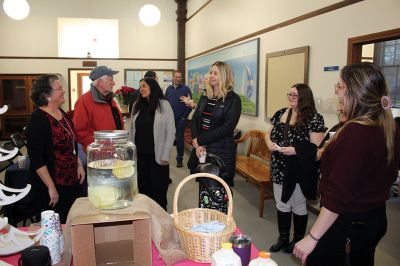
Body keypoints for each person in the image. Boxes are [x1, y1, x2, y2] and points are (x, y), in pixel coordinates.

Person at [293, 62, 400, 266]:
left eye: (340, 86)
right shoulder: (388, 126)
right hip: (374, 218)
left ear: (356, 92)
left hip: (347, 222)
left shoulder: (355, 132)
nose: (336, 91)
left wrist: (312, 238)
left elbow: (338, 196)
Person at [266, 83, 326, 253]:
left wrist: (295, 150)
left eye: (295, 95)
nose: (290, 97)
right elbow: (268, 133)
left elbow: (316, 150)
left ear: (304, 97)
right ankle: (283, 238)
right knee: (282, 204)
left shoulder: (315, 118)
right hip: (279, 167)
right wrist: (269, 143)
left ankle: (298, 239)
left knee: (298, 205)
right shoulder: (281, 113)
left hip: (300, 169)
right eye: (289, 94)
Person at [26, 74, 85, 223]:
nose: (63, 91)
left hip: (71, 180)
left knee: (71, 221)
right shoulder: (38, 120)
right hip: (53, 184)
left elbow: (70, 143)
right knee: (56, 227)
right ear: (47, 95)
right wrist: (51, 187)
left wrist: (78, 164)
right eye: (59, 88)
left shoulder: (61, 112)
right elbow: (36, 159)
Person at [189, 61, 241, 187]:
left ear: (224, 76)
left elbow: (227, 128)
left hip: (221, 152)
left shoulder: (233, 99)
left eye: (216, 73)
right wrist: (197, 143)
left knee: (218, 194)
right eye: (211, 72)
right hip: (202, 150)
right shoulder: (205, 96)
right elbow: (195, 119)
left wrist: (200, 140)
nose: (211, 75)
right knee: (205, 192)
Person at [129, 78, 175, 210]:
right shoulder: (137, 105)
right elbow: (132, 129)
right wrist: (131, 151)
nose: (141, 89)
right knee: (143, 190)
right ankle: (146, 217)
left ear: (152, 87)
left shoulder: (164, 105)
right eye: (140, 86)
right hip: (141, 156)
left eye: (144, 86)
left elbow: (171, 131)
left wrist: (166, 153)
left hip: (158, 156)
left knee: (158, 190)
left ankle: (161, 218)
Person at [73, 66, 123, 151]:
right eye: (111, 80)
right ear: (100, 81)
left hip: (115, 149)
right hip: (99, 154)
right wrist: (100, 147)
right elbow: (80, 131)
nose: (114, 83)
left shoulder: (110, 99)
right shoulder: (83, 101)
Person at [165, 70, 192, 168]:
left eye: (180, 77)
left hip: (181, 119)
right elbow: (165, 103)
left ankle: (179, 159)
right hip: (170, 119)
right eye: (176, 77)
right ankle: (164, 157)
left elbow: (190, 104)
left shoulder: (186, 89)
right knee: (168, 138)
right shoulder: (169, 89)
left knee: (180, 139)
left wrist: (184, 117)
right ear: (173, 78)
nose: (178, 78)